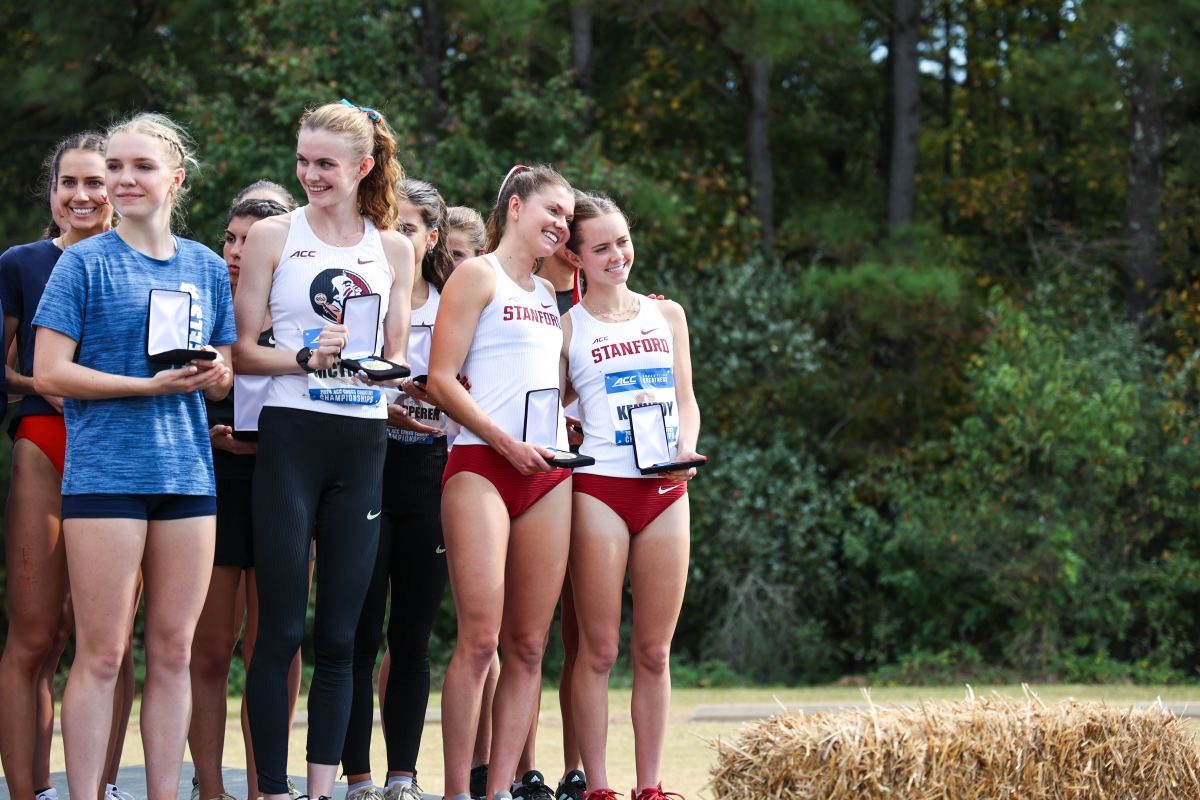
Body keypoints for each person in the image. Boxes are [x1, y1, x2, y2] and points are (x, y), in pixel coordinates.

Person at [31, 112, 236, 800]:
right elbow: (49, 372)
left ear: (175, 179)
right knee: (104, 653)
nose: (122, 180)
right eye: (114, 167)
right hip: (105, 480)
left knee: (174, 654)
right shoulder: (81, 263)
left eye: (140, 167)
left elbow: (228, 367)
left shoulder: (206, 265)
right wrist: (143, 386)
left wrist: (214, 374)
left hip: (187, 479)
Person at [235, 99, 414, 800]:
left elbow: (395, 359)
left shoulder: (395, 246)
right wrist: (307, 357)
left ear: (363, 167)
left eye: (326, 164)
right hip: (291, 438)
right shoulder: (275, 236)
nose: (311, 174)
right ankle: (272, 789)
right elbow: (246, 353)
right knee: (279, 630)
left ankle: (320, 790)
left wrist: (374, 366)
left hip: (362, 441)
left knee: (340, 636)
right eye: (303, 161)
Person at [427, 164, 575, 800]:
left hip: (547, 476)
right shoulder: (476, 273)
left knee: (530, 645)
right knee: (480, 638)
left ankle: (500, 792)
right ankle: (458, 790)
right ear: (515, 206)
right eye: (553, 211)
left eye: (569, 218)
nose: (562, 225)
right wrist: (504, 443)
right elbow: (440, 379)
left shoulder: (549, 297)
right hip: (483, 467)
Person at [0, 131, 138, 800]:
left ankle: (102, 787)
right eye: (69, 183)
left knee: (103, 641)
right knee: (36, 637)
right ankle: (27, 791)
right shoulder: (21, 263)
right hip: (45, 442)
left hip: (122, 451)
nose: (83, 195)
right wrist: (44, 384)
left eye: (96, 182)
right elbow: (6, 367)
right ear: (51, 194)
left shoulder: (150, 261)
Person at [560, 193, 702, 800]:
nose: (617, 255)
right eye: (601, 247)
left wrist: (685, 449)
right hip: (601, 488)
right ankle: (598, 786)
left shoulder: (666, 316)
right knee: (599, 649)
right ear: (576, 257)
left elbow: (688, 400)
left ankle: (652, 786)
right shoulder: (566, 327)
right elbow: (550, 405)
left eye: (622, 241)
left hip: (667, 490)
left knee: (654, 649)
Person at [341, 178, 458, 800]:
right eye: (388, 225)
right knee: (358, 633)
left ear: (431, 238)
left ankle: (403, 779)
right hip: (367, 464)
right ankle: (357, 779)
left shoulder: (454, 305)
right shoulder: (362, 295)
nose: (395, 237)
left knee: (411, 637)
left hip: (432, 472)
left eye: (407, 227)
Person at [187, 193, 304, 800]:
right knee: (208, 648)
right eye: (231, 238)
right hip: (214, 485)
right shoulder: (201, 297)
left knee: (276, 648)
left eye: (250, 240)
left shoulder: (302, 311)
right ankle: (210, 788)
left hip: (287, 484)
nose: (237, 251)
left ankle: (268, 788)